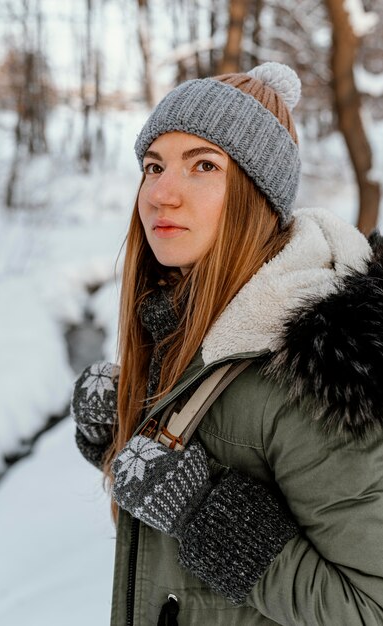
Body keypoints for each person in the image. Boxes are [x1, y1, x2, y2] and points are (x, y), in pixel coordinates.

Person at [71, 62, 383, 625]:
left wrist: (203, 512)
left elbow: (370, 608)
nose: (161, 194)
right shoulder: (183, 325)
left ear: (258, 196)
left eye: (204, 166)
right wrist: (125, 439)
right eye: (153, 166)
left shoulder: (312, 372)